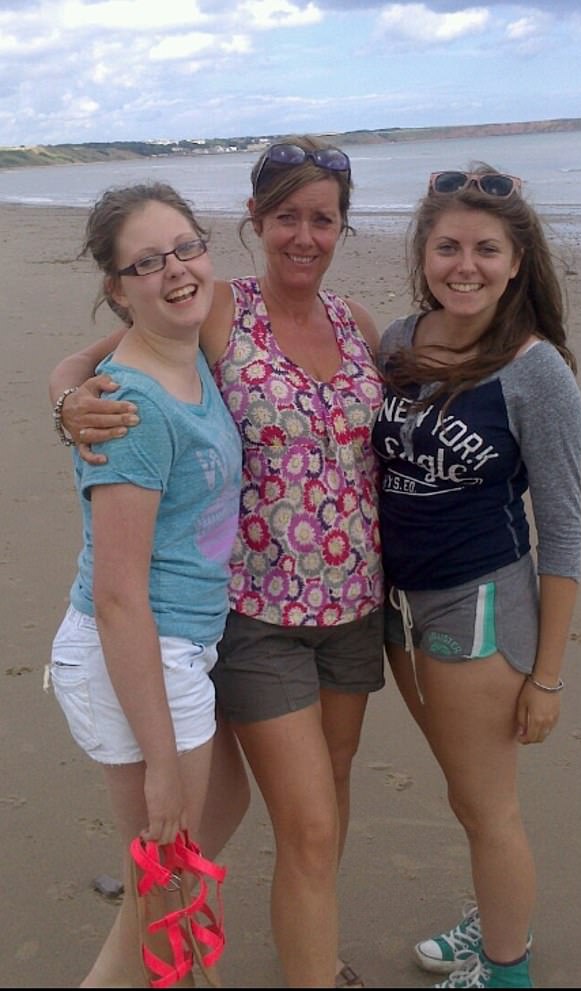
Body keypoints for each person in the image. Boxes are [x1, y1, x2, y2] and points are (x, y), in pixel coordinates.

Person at [48, 136, 386, 989]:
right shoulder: (217, 311)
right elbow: (101, 366)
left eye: (323, 218)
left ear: (343, 227)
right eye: (285, 217)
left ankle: (298, 938)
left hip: (353, 610)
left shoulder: (360, 326)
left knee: (315, 803)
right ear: (254, 222)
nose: (304, 235)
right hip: (250, 618)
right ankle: (167, 916)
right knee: (285, 822)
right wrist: (65, 399)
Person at [371, 166, 581, 989]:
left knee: (487, 804)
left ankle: (506, 969)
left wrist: (549, 678)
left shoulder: (536, 373)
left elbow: (563, 531)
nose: (467, 264)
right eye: (448, 246)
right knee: (469, 795)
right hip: (406, 604)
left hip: (481, 606)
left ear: (517, 260)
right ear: (423, 254)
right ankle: (497, 924)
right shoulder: (398, 340)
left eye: (486, 249)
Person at [48, 181, 244, 988]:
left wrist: (61, 384)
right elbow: (121, 594)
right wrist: (160, 759)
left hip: (178, 646)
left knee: (197, 835)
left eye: (187, 247)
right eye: (148, 262)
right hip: (140, 650)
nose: (176, 270)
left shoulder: (183, 341)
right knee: (163, 885)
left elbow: (81, 360)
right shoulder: (132, 409)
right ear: (118, 288)